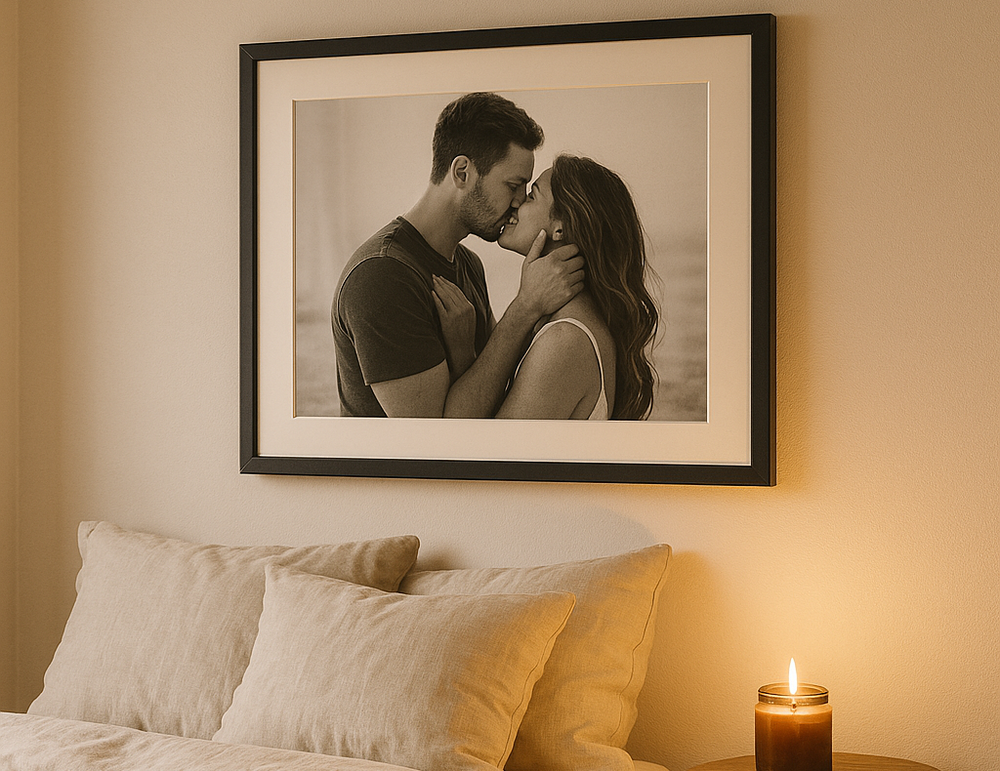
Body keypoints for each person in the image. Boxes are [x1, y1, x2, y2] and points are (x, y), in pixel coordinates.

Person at [332, 92, 584, 418]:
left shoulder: (468, 264)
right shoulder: (382, 277)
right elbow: (436, 443)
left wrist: (464, 352)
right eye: (513, 185)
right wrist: (524, 307)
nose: (520, 202)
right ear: (462, 172)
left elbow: (497, 390)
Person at [434, 154, 658, 420]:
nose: (516, 203)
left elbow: (492, 457)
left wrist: (462, 358)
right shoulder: (559, 323)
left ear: (560, 229)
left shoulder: (565, 340)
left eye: (531, 196)